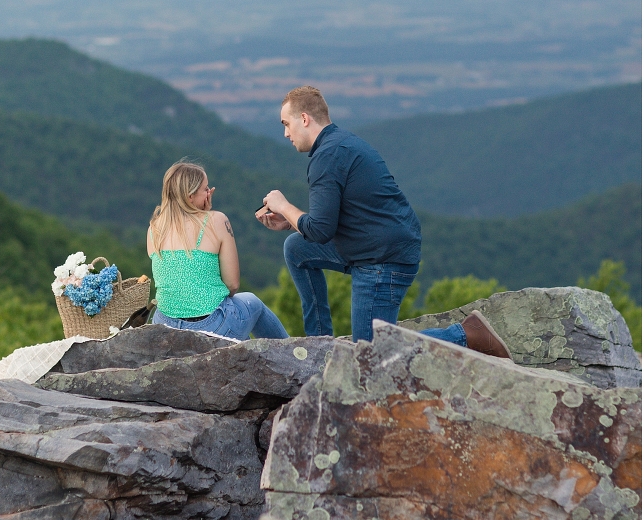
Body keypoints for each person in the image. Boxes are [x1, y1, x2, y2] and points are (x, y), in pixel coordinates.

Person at [256, 85, 510, 358]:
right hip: (374, 244)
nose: (285, 133)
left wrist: (284, 205)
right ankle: (321, 345)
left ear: (304, 119)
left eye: (286, 123)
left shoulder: (327, 156)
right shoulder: (338, 143)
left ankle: (465, 335)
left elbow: (320, 230)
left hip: (382, 259)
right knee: (296, 247)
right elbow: (326, 222)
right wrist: (291, 221)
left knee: (372, 354)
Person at [149, 161, 288, 341]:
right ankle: (293, 356)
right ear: (190, 196)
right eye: (206, 189)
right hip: (211, 327)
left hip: (165, 326)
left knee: (241, 339)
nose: (210, 193)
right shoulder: (217, 220)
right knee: (252, 302)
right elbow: (232, 285)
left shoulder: (154, 228)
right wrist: (207, 215)